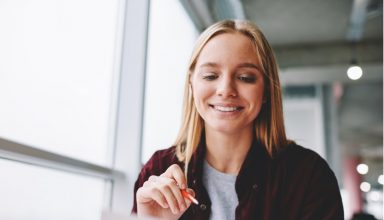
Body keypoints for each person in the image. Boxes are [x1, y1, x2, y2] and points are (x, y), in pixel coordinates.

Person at [131, 20, 344, 220]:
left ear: (267, 89)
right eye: (210, 76)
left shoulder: (308, 176)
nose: (225, 90)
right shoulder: (159, 170)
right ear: (191, 83)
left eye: (245, 77)